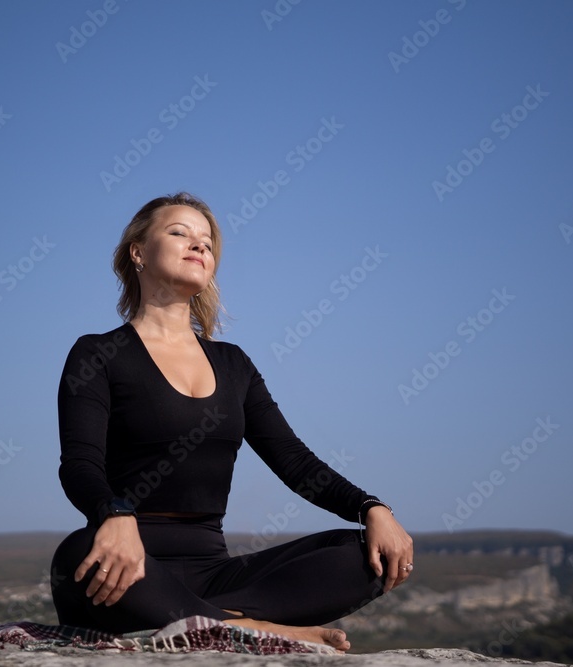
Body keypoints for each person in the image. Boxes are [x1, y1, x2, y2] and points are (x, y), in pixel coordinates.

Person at [50, 192, 413, 652]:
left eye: (207, 241)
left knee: (363, 554)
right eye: (179, 233)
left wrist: (372, 507)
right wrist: (114, 514)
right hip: (129, 565)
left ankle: (220, 623)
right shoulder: (97, 354)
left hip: (217, 575)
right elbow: (79, 464)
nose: (198, 245)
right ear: (137, 252)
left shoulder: (234, 364)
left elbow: (293, 460)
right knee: (78, 553)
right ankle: (256, 629)